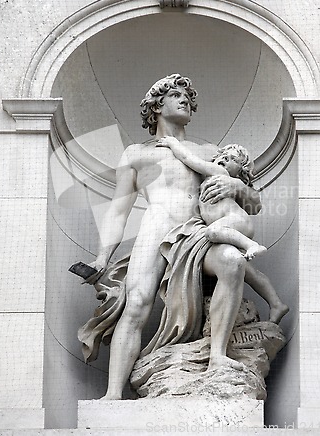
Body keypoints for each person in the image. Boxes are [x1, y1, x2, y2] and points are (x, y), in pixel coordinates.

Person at [90, 74, 262, 400]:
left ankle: (218, 356)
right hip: (155, 230)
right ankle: (113, 394)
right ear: (156, 105)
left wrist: (238, 187)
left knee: (231, 260)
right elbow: (117, 211)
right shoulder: (136, 154)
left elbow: (253, 204)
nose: (185, 99)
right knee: (136, 303)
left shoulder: (209, 151)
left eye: (187, 96)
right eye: (175, 94)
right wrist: (102, 258)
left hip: (200, 231)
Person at [156, 136, 288, 322]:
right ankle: (276, 303)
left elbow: (189, 160)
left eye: (232, 159)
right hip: (232, 225)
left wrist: (173, 144)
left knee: (212, 232)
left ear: (240, 173)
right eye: (224, 154)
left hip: (234, 222)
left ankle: (251, 245)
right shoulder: (215, 176)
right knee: (248, 271)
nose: (225, 158)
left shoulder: (219, 172)